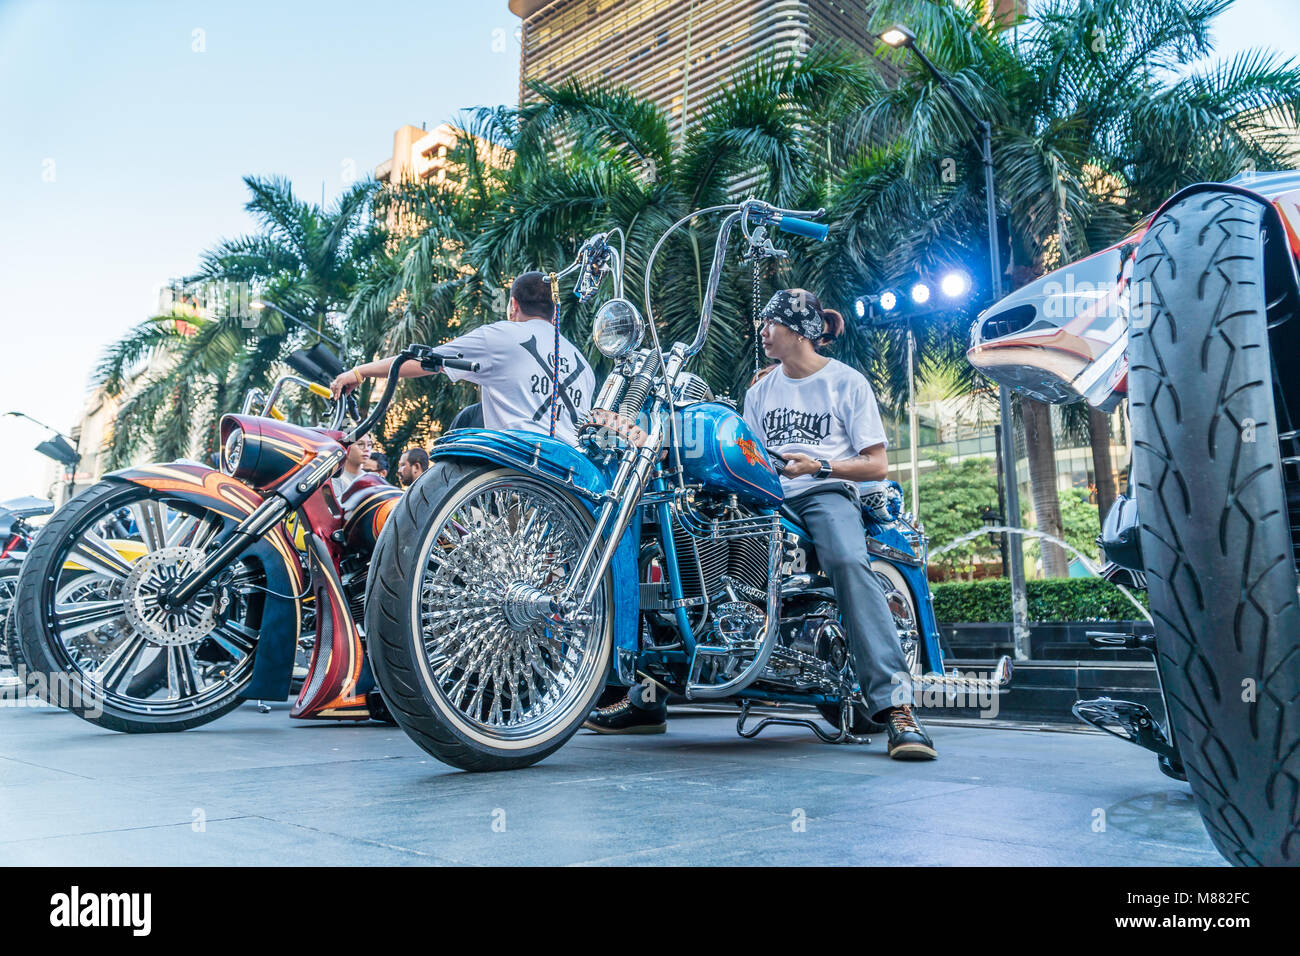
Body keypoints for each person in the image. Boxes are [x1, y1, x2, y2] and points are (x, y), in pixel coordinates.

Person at [585, 288, 937, 761]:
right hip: (764, 494)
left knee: (848, 562)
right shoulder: (760, 390)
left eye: (771, 323)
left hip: (823, 492)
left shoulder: (846, 383)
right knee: (678, 542)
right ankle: (649, 697)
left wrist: (820, 467)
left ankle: (897, 709)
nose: (763, 331)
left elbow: (876, 465)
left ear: (799, 331)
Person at [330, 271, 597, 445]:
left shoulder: (503, 336)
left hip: (520, 473)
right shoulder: (583, 365)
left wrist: (359, 372)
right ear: (553, 310)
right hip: (569, 484)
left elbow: (424, 361)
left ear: (513, 305)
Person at [331, 434, 371, 499]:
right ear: (347, 447)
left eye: (369, 445)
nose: (367, 449)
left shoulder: (372, 478)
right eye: (360, 444)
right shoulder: (335, 478)